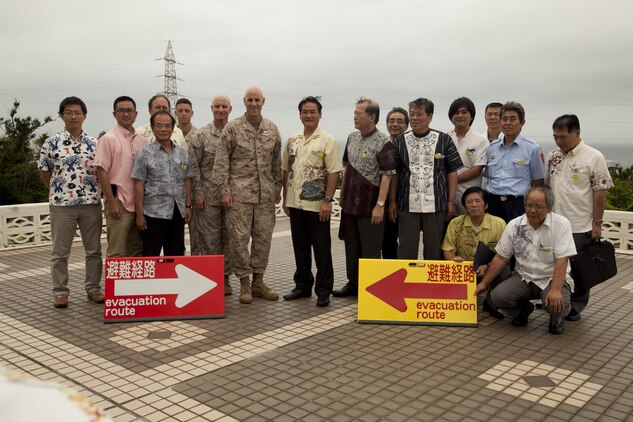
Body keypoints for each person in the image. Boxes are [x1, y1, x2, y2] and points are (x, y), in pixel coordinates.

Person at [213, 86, 282, 304]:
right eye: (250, 100)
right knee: (239, 240)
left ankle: (258, 282)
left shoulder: (271, 129)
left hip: (265, 196)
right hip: (239, 196)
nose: (254, 104)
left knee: (263, 240)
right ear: (244, 101)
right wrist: (224, 191)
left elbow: (276, 162)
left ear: (263, 101)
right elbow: (221, 162)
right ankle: (244, 282)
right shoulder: (232, 129)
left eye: (257, 100)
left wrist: (278, 187)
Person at [475, 187, 576, 335]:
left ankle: (557, 319)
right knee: (498, 297)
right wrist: (484, 283)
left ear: (549, 208)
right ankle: (522, 311)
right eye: (529, 205)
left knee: (559, 304)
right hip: (524, 277)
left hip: (551, 278)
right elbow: (501, 257)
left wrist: (555, 290)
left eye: (539, 206)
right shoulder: (515, 225)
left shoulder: (561, 224)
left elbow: (562, 260)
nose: (532, 210)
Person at [546, 114, 614, 321]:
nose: (559, 141)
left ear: (577, 133)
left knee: (579, 267)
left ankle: (576, 305)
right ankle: (556, 298)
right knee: (554, 263)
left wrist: (597, 222)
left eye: (563, 137)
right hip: (555, 221)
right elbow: (547, 186)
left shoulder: (594, 156)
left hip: (579, 223)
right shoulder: (553, 156)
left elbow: (600, 192)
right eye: (555, 137)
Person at [38, 96, 103, 308]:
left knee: (93, 250)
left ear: (85, 116)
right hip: (61, 205)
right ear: (62, 116)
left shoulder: (95, 143)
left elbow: (101, 171)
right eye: (68, 112)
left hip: (91, 204)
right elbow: (45, 173)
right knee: (59, 253)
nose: (73, 116)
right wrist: (60, 191)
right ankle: (60, 292)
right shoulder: (50, 143)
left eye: (77, 112)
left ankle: (93, 288)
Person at [282, 96, 343, 307]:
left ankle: (324, 289)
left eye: (312, 112)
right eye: (304, 112)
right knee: (300, 246)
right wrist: (284, 198)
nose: (308, 115)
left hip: (318, 206)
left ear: (320, 115)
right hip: (295, 203)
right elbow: (286, 169)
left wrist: (327, 200)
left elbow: (334, 171)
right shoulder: (292, 140)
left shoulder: (328, 140)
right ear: (299, 115)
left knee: (321, 248)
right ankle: (302, 286)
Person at [332, 98, 397, 297]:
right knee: (352, 247)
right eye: (355, 113)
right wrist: (342, 197)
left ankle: (372, 290)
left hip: (370, 207)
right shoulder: (352, 137)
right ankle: (353, 284)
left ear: (372, 117)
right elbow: (346, 168)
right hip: (349, 205)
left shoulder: (384, 142)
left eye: (358, 113)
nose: (355, 117)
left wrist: (380, 205)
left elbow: (388, 175)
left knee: (370, 250)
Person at [389, 97, 462, 261]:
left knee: (434, 252)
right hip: (407, 205)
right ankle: (406, 286)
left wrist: (451, 202)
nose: (414, 118)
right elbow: (395, 174)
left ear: (430, 117)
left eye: (419, 114)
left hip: (436, 205)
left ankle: (432, 287)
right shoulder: (400, 141)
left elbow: (452, 172)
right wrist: (392, 201)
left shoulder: (444, 140)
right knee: (406, 252)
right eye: (412, 114)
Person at [188, 95, 234, 295]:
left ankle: (225, 278)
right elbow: (193, 167)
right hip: (207, 198)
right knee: (209, 240)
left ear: (230, 109)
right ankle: (209, 279)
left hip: (232, 197)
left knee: (230, 239)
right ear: (211, 108)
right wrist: (197, 193)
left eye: (224, 106)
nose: (220, 110)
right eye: (217, 106)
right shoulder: (201, 135)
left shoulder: (236, 132)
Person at [132, 111, 193, 256]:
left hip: (177, 212)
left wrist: (188, 206)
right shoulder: (143, 154)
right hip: (153, 214)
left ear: (173, 128)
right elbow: (138, 184)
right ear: (152, 128)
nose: (163, 129)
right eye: (159, 126)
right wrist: (139, 214)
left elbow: (187, 179)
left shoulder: (182, 153)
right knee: (150, 255)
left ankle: (174, 279)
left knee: (175, 255)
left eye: (167, 126)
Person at [94, 96, 148, 258]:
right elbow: (101, 170)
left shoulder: (142, 141)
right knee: (116, 252)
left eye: (129, 110)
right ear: (114, 114)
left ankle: (134, 284)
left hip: (139, 205)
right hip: (119, 203)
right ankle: (113, 284)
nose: (126, 114)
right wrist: (111, 202)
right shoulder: (108, 139)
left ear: (136, 114)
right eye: (121, 110)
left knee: (136, 250)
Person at [442, 187, 507, 319]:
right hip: (462, 269)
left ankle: (491, 302)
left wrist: (488, 266)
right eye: (469, 202)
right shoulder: (456, 223)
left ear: (486, 205)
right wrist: (453, 261)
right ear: (465, 206)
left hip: (488, 268)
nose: (474, 205)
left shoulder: (499, 224)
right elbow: (447, 249)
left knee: (505, 272)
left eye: (478, 201)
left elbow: (504, 254)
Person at [484, 101, 546, 223]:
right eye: (504, 119)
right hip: (492, 203)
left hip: (517, 205)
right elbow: (488, 178)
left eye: (512, 119)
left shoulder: (532, 148)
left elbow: (538, 182)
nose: (507, 123)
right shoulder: (492, 147)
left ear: (522, 122)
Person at [447, 97, 488, 214]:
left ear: (472, 116)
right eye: (456, 112)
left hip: (470, 197)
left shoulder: (481, 140)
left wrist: (451, 181)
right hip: (446, 195)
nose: (460, 115)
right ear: (451, 117)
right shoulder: (444, 138)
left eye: (464, 112)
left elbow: (477, 169)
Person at [382, 107, 409, 259]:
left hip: (406, 200)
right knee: (388, 240)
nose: (395, 124)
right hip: (385, 201)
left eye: (400, 121)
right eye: (391, 121)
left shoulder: (411, 146)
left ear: (407, 125)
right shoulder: (383, 144)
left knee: (406, 242)